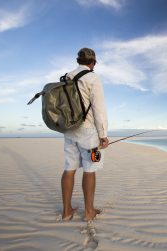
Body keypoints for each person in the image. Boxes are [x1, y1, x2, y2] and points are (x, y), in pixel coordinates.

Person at [61, 48, 109, 221]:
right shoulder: (93, 78)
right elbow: (99, 109)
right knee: (90, 169)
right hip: (88, 131)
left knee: (69, 168)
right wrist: (103, 134)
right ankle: (89, 211)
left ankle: (66, 211)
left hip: (69, 130)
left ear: (78, 60)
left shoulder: (66, 77)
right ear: (93, 62)